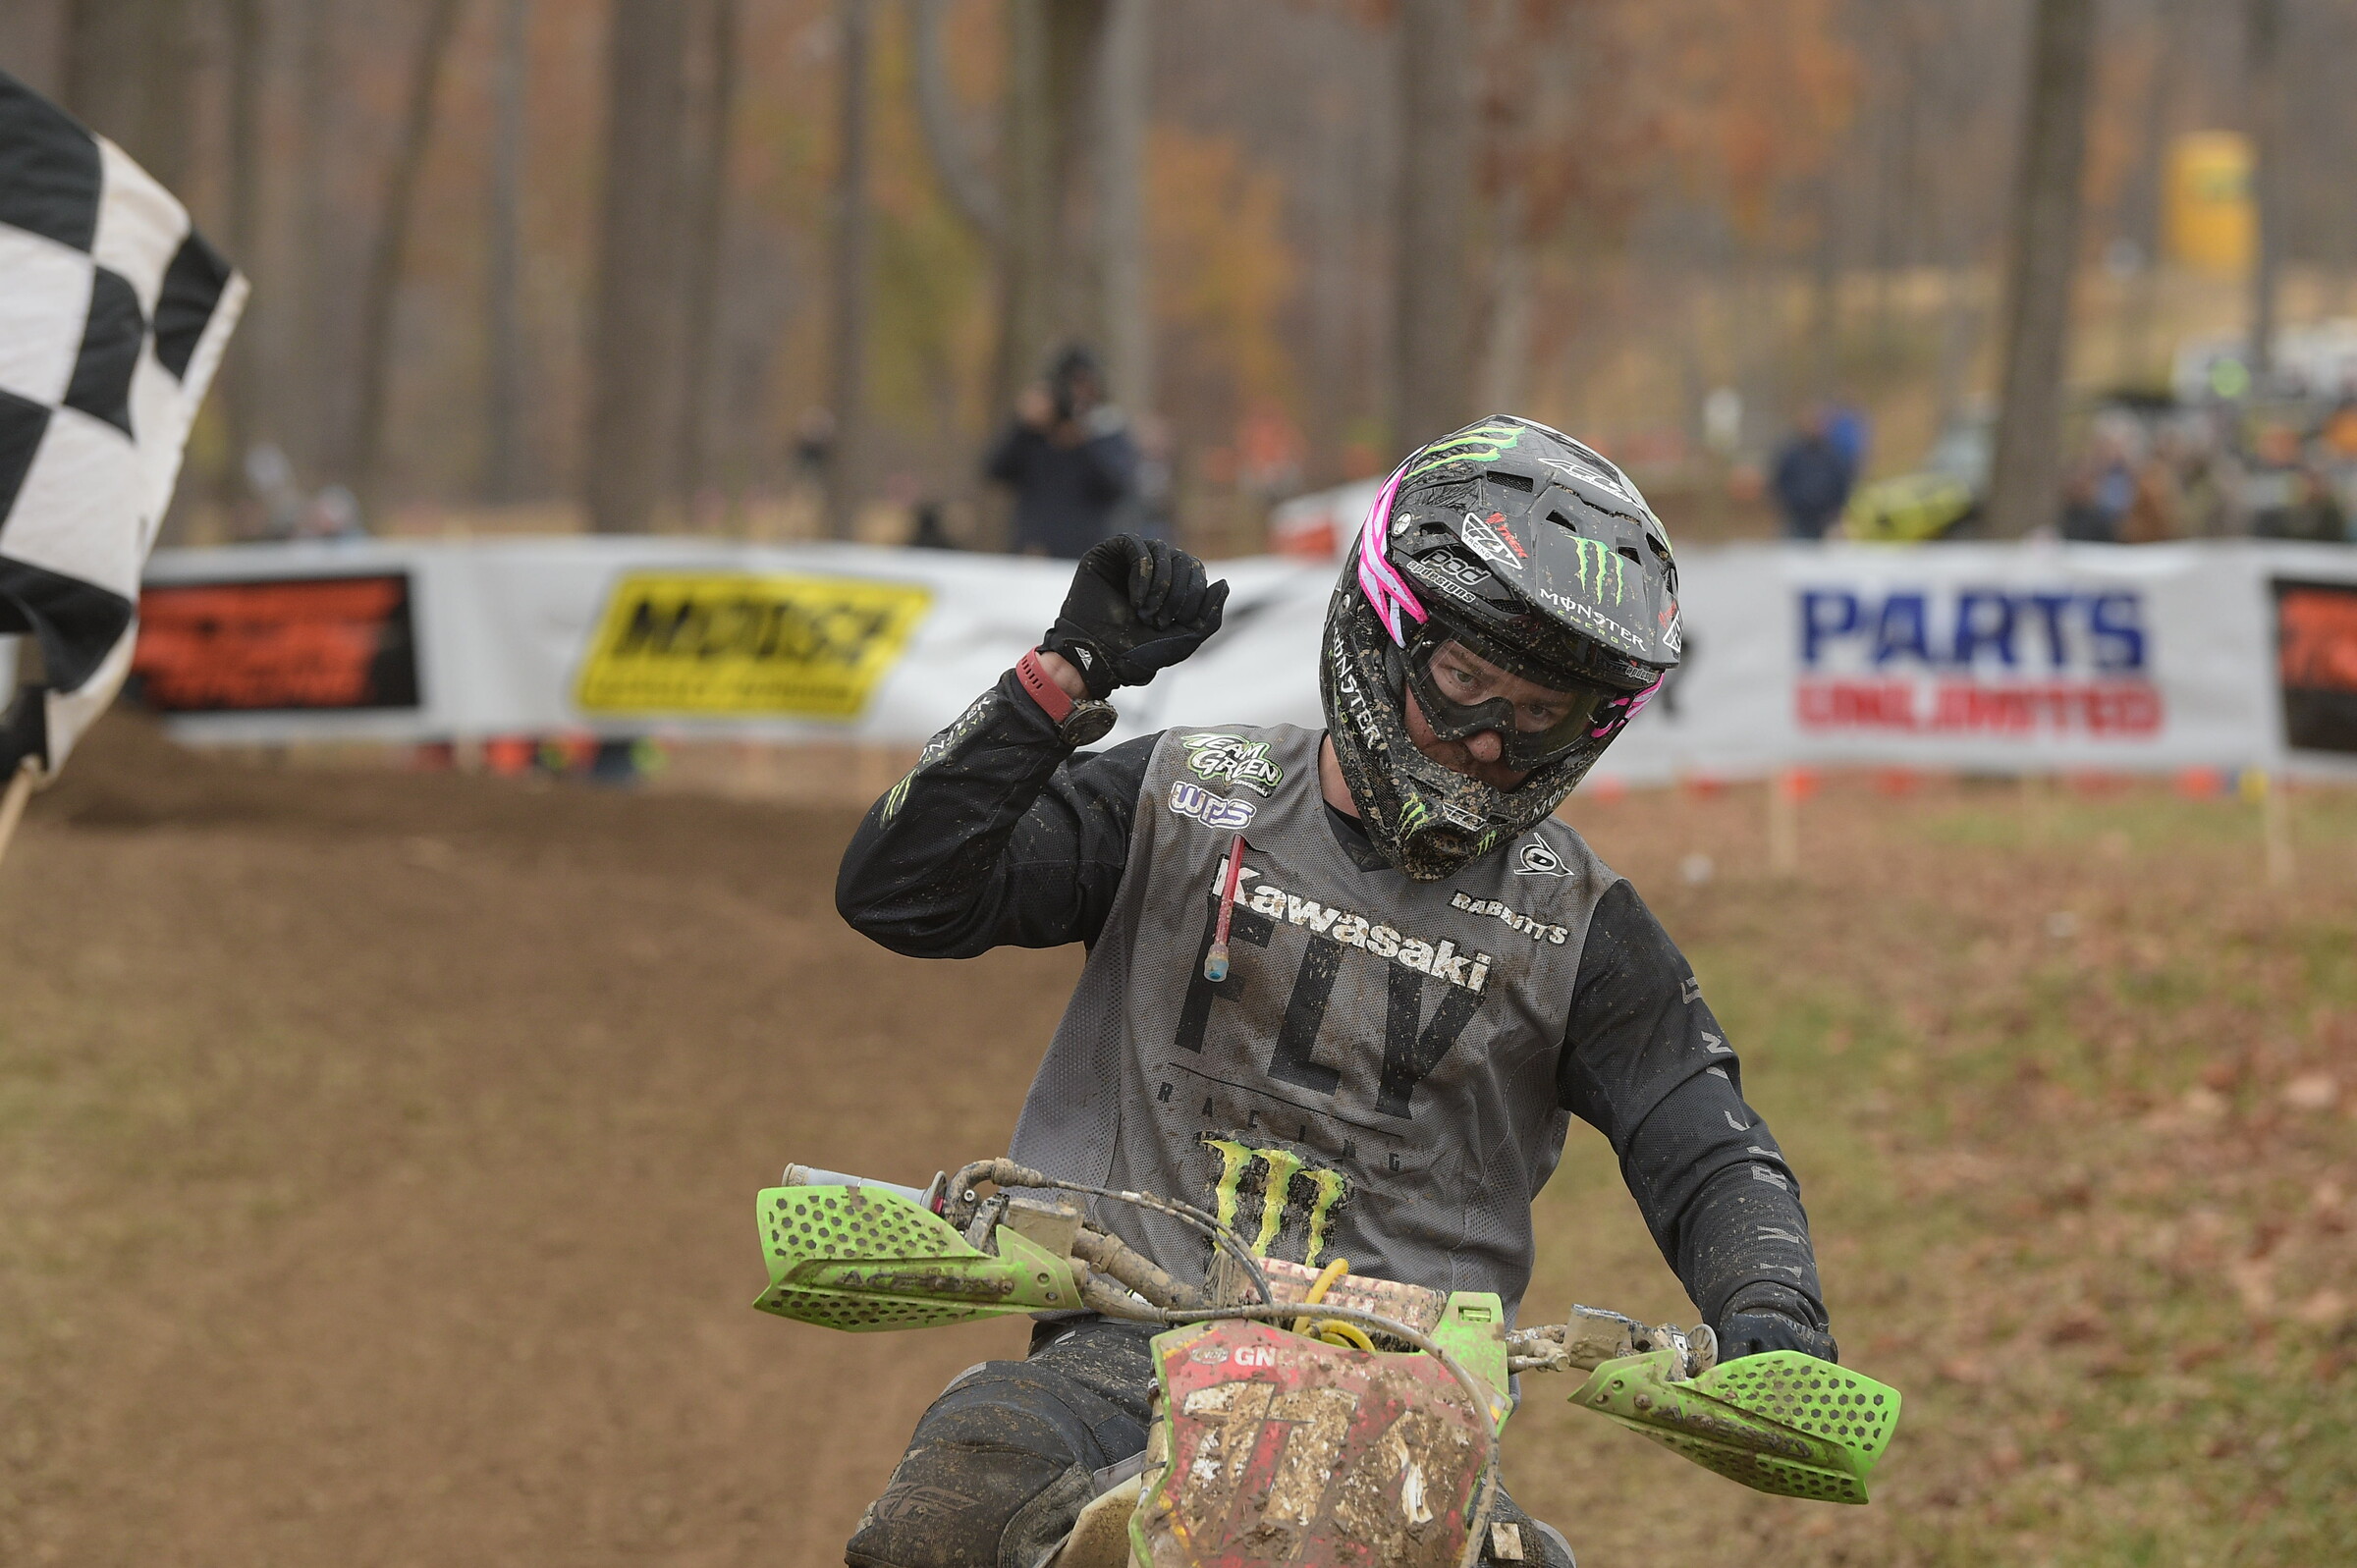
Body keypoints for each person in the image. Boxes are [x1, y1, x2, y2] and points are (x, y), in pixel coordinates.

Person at [835, 415, 1837, 1568]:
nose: (1488, 743)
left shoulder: (1582, 925)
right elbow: (902, 892)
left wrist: (1773, 1322)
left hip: (1407, 1404)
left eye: (1537, 713)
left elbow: (1709, 1146)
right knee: (945, 1513)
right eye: (1463, 680)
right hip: (1124, 1348)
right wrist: (1063, 677)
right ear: (1384, 629)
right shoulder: (1184, 796)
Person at [986, 346, 1140, 559]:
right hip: (1033, 552)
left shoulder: (1106, 428)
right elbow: (995, 472)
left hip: (1088, 554)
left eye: (1084, 383)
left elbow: (1117, 487)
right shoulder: (1034, 433)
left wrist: (1084, 441)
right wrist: (1023, 425)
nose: (1077, 393)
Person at [1770, 404, 1854, 540]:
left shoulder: (1833, 455)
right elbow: (1780, 482)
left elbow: (1843, 483)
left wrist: (1835, 509)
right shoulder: (1791, 454)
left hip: (1825, 522)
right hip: (1796, 521)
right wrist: (1791, 505)